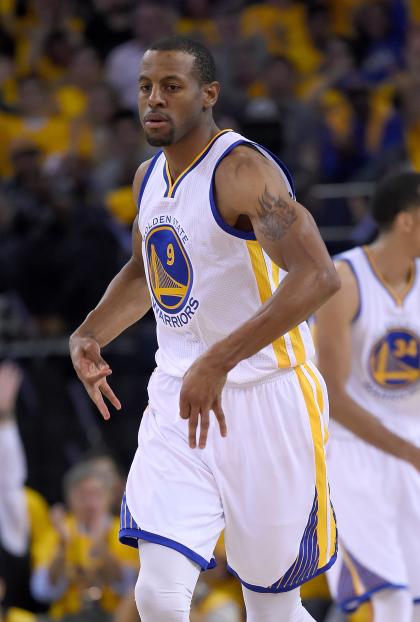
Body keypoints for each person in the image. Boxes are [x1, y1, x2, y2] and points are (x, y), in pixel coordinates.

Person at [69, 35, 340, 622]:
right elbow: (146, 274)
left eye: (172, 86)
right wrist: (90, 332)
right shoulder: (148, 179)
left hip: (269, 397)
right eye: (145, 88)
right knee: (158, 595)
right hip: (179, 399)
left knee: (270, 604)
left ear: (208, 94)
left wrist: (218, 360)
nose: (154, 101)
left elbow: (318, 276)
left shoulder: (242, 171)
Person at [315, 171, 420, 621]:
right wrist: (408, 451)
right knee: (391, 598)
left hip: (409, 448)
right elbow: (332, 398)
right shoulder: (344, 280)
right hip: (352, 450)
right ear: (407, 222)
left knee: (412, 600)